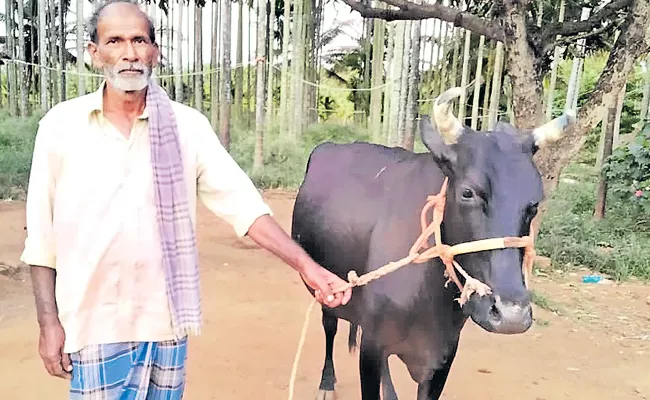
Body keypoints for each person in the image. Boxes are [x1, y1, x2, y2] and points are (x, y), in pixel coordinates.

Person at [20, 0, 352, 398]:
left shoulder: (186, 127)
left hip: (166, 325)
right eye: (115, 41)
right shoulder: (60, 127)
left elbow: (244, 207)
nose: (129, 53)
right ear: (94, 53)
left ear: (155, 53)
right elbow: (41, 241)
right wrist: (48, 323)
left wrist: (309, 268)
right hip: (94, 326)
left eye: (139, 40)